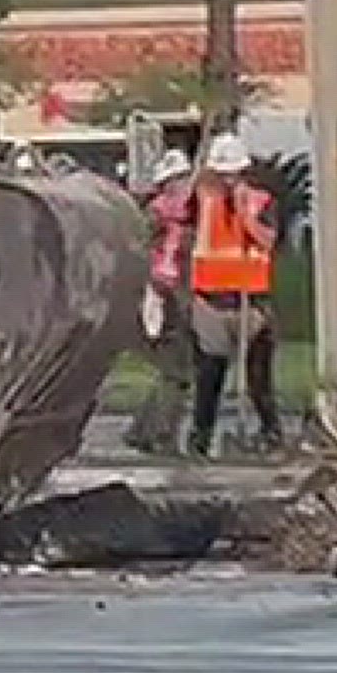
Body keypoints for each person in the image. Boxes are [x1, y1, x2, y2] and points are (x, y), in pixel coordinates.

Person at [186, 133, 283, 458]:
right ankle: (200, 439)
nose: (227, 182)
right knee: (209, 376)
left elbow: (269, 242)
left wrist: (246, 218)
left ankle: (272, 434)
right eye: (221, 175)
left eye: (232, 175)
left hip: (251, 301)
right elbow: (177, 213)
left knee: (259, 379)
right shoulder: (201, 201)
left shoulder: (262, 202)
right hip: (210, 300)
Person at [124, 148, 197, 456]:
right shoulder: (156, 214)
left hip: (177, 293)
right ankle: (158, 433)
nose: (181, 185)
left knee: (177, 371)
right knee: (177, 371)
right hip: (161, 295)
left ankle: (144, 429)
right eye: (176, 180)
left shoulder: (186, 216)